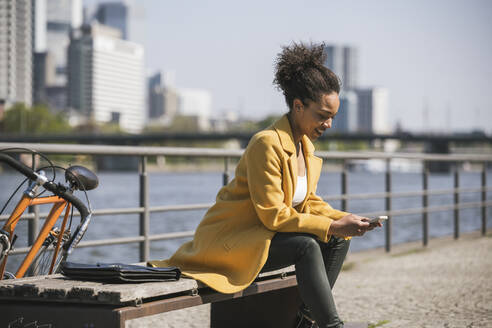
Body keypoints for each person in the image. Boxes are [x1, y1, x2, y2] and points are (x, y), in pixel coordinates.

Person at [148, 42, 381, 328]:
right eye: (322, 115)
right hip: (231, 242)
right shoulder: (266, 143)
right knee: (307, 246)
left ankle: (306, 322)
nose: (329, 124)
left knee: (336, 240)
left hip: (263, 238)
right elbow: (273, 214)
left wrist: (342, 220)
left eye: (333, 116)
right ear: (298, 106)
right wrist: (332, 225)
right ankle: (332, 326)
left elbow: (306, 202)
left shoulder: (303, 146)